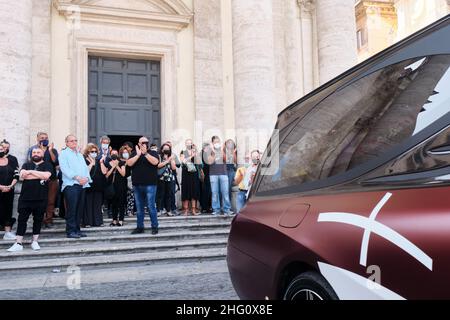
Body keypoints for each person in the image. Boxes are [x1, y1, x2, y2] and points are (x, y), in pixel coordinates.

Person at [7, 148, 53, 252]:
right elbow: (23, 176)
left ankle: (35, 241)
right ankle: (18, 243)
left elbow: (46, 176)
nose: (35, 154)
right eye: (34, 152)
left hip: (40, 198)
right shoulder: (26, 165)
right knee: (22, 220)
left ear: (42, 154)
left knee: (38, 220)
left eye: (38, 152)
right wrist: (39, 175)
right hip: (25, 198)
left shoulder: (48, 165)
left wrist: (31, 172)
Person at [58, 135, 92, 238]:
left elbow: (85, 168)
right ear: (66, 143)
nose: (74, 142)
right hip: (71, 185)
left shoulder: (79, 155)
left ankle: (77, 229)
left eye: (75, 141)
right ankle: (71, 231)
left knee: (79, 208)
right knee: (72, 209)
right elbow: (64, 169)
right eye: (71, 141)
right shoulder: (63, 154)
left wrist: (86, 178)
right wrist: (77, 177)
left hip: (82, 185)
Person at [127, 137, 160, 235]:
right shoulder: (134, 153)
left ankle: (154, 226)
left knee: (150, 206)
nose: (144, 144)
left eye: (146, 142)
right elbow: (129, 163)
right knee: (139, 207)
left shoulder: (153, 153)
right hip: (137, 185)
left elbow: (155, 162)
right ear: (138, 143)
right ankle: (140, 227)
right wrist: (138, 155)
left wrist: (145, 153)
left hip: (150, 184)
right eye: (142, 142)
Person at [27, 132, 59, 229]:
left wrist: (49, 150)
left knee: (50, 201)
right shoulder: (33, 149)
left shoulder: (53, 150)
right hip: (37, 179)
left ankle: (48, 220)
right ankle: (39, 220)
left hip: (52, 179)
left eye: (46, 138)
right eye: (42, 138)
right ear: (37, 139)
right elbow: (30, 162)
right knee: (39, 200)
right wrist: (40, 151)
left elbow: (55, 162)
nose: (44, 139)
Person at [82, 143, 108, 227]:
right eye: (92, 151)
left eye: (95, 151)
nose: (94, 152)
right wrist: (91, 164)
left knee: (97, 205)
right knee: (88, 204)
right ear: (87, 152)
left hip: (98, 186)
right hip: (88, 186)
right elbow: (84, 173)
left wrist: (101, 162)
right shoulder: (84, 160)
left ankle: (98, 222)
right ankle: (87, 222)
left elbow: (104, 172)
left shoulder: (99, 160)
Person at [207, 136, 233, 215]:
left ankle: (226, 209)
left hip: (223, 174)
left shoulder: (223, 150)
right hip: (213, 175)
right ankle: (216, 210)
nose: (217, 143)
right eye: (215, 142)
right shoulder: (209, 152)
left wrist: (221, 150)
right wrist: (213, 151)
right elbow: (210, 162)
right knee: (215, 193)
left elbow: (226, 159)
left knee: (225, 192)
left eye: (218, 141)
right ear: (212, 143)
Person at [0, 142, 19, 240]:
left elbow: (16, 174)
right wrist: (1, 187)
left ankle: (7, 233)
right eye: (2, 147)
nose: (4, 149)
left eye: (6, 147)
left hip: (9, 190)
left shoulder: (12, 159)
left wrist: (10, 186)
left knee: (8, 210)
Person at [107, 148, 129, 226]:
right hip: (112, 186)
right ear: (110, 154)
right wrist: (113, 167)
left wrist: (117, 166)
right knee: (114, 203)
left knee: (121, 202)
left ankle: (121, 219)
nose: (114, 155)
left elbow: (123, 174)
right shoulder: (108, 163)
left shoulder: (121, 163)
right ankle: (114, 219)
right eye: (112, 153)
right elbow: (107, 175)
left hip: (121, 185)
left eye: (115, 153)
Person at [180, 139, 201, 216]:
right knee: (186, 191)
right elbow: (183, 161)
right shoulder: (183, 152)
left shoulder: (195, 152)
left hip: (194, 173)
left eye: (190, 143)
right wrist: (191, 156)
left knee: (194, 191)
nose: (189, 144)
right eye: (187, 143)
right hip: (186, 173)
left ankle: (193, 209)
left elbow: (199, 162)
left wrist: (196, 153)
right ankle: (185, 210)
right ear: (185, 144)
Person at [157, 143, 177, 216]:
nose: (166, 150)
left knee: (168, 195)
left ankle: (168, 210)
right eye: (165, 148)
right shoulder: (159, 156)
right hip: (161, 177)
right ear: (162, 149)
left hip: (169, 177)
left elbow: (174, 168)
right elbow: (158, 165)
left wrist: (171, 159)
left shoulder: (171, 157)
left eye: (168, 149)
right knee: (160, 195)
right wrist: (167, 160)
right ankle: (159, 210)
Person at [199, 142, 212, 214]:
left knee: (207, 191)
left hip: (208, 174)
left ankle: (206, 207)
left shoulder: (206, 153)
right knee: (205, 191)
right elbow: (201, 165)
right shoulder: (202, 154)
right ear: (205, 147)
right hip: (204, 174)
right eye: (209, 147)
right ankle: (205, 207)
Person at [224, 139, 237, 204]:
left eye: (231, 143)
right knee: (224, 189)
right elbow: (224, 159)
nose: (230, 144)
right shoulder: (223, 151)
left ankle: (227, 206)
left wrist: (233, 152)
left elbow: (235, 160)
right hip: (224, 170)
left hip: (231, 170)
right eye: (228, 143)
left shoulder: (233, 152)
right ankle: (223, 205)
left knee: (228, 188)